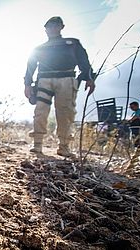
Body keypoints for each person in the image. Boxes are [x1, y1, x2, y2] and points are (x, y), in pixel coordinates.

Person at [23, 16, 95, 157]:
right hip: (44, 80)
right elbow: (30, 66)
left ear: (61, 27)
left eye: (55, 26)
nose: (52, 29)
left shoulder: (72, 43)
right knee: (40, 111)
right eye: (49, 26)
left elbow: (84, 62)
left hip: (66, 79)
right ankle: (37, 144)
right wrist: (27, 84)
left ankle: (64, 146)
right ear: (45, 29)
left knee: (65, 112)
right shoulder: (39, 48)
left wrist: (90, 78)